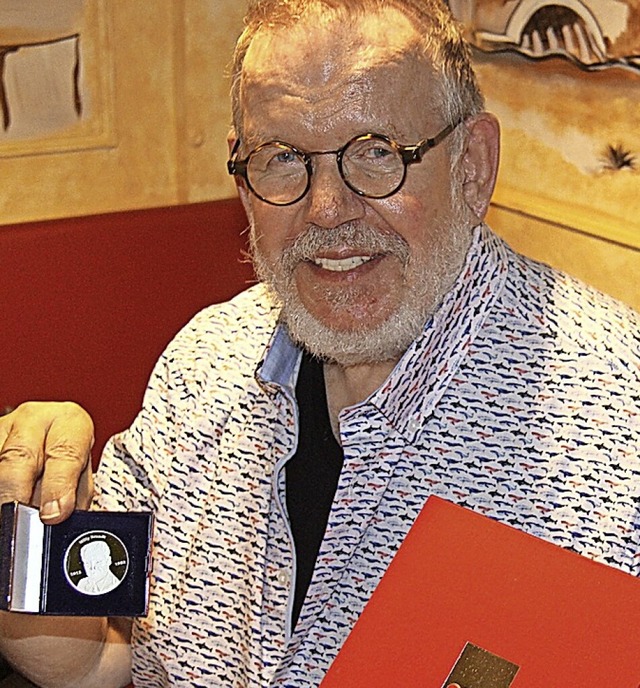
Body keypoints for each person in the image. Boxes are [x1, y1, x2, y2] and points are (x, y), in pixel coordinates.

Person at [0, 0, 638, 686]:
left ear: (473, 166)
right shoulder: (205, 364)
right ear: (242, 182)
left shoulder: (617, 422)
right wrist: (27, 523)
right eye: (281, 158)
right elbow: (101, 655)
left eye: (376, 153)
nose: (328, 208)